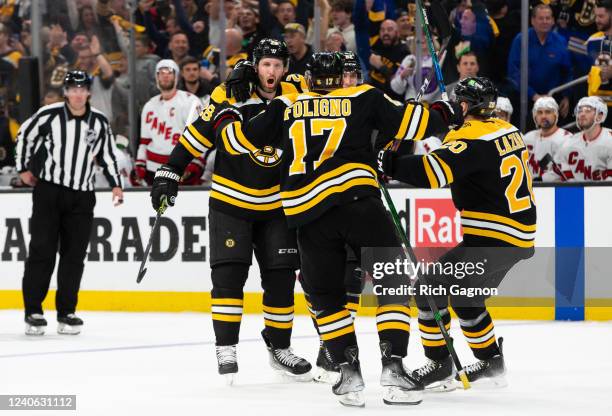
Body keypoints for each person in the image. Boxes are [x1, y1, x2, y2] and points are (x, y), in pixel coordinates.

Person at [205, 52, 459, 406]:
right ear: (342, 78)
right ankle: (394, 368)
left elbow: (236, 143)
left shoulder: (285, 105)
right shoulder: (364, 97)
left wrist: (227, 113)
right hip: (359, 204)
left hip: (309, 217)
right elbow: (420, 124)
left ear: (308, 78)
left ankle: (348, 374)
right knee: (393, 282)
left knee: (327, 298)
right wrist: (449, 110)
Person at [150, 39, 312, 383]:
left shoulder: (298, 91)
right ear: (256, 65)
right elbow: (197, 136)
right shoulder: (229, 93)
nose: (272, 71)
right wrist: (170, 171)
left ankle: (279, 347)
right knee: (228, 278)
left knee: (281, 280)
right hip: (231, 203)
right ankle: (226, 347)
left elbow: (330, 91)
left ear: (286, 68)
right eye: (265, 64)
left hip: (276, 204)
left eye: (277, 65)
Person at [378, 76, 536, 390]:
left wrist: (389, 162)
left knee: (427, 288)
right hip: (514, 237)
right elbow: (472, 153)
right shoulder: (508, 130)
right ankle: (491, 361)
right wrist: (453, 130)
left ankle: (439, 363)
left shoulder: (470, 140)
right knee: (467, 296)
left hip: (493, 238)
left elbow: (431, 172)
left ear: (464, 105)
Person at [15, 70, 124, 336]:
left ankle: (66, 311)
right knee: (42, 250)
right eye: (72, 89)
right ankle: (33, 311)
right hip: (49, 191)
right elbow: (24, 136)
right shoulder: (49, 115)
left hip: (82, 196)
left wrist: (116, 184)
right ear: (66, 92)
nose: (77, 93)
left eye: (82, 89)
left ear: (88, 92)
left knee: (74, 255)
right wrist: (22, 169)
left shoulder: (98, 121)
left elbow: (108, 154)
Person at [136, 59, 203, 185]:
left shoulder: (191, 102)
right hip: (153, 170)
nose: (165, 75)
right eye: (161, 72)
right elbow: (144, 142)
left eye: (169, 72)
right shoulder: (149, 105)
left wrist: (195, 164)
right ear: (156, 77)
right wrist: (140, 164)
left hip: (181, 168)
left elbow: (200, 138)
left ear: (176, 77)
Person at [548, 96, 612, 181]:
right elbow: (552, 177)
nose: (582, 114)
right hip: (576, 193)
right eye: (580, 110)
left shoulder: (609, 140)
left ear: (600, 115)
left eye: (588, 110)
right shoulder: (568, 143)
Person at [523, 97, 571, 181]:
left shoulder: (567, 139)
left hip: (555, 190)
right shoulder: (528, 138)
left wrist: (542, 180)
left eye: (548, 112)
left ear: (555, 114)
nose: (543, 116)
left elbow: (566, 171)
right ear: (535, 116)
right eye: (539, 112)